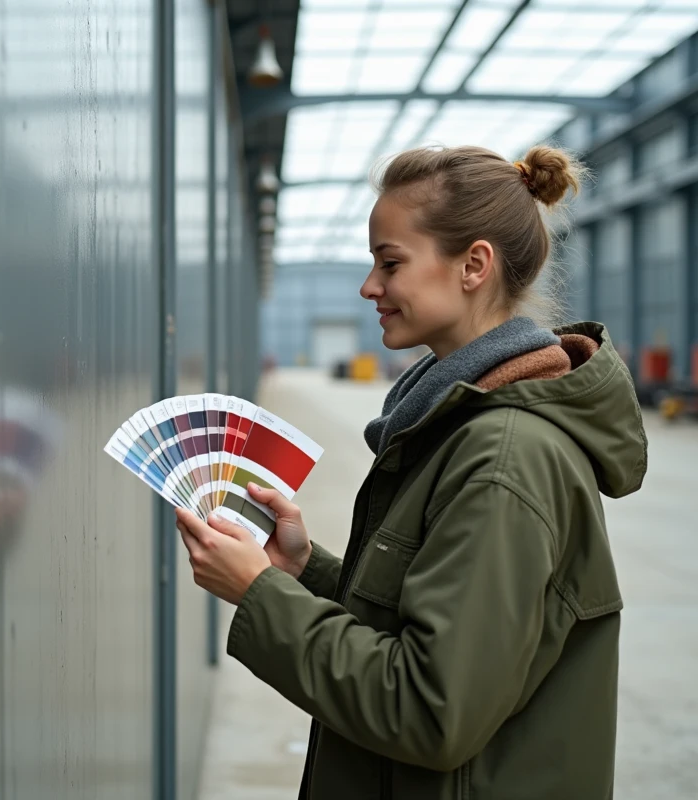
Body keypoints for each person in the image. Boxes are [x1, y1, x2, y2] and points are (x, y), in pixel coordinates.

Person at [176, 144, 648, 799]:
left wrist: (263, 597)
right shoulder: (455, 425)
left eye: (389, 262)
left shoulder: (502, 459)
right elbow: (427, 622)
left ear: (474, 266)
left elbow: (430, 711)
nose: (370, 287)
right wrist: (303, 571)